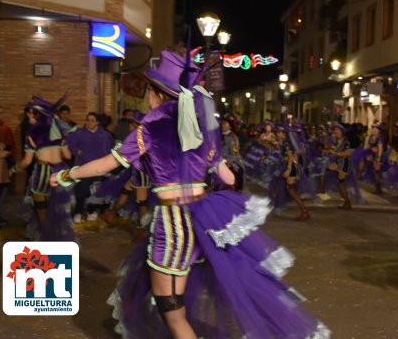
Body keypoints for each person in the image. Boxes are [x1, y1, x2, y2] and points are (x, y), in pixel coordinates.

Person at [50, 49, 329, 339]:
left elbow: (106, 165)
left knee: (171, 310)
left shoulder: (151, 127)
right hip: (200, 218)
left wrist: (67, 174)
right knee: (169, 298)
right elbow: (228, 177)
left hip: (172, 224)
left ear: (156, 93)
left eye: (148, 90)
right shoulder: (200, 128)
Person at [11, 96, 75, 241]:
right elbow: (68, 156)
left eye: (33, 113)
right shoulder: (59, 132)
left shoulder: (32, 133)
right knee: (60, 209)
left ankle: (48, 239)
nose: (31, 116)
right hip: (60, 172)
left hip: (43, 172)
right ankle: (60, 239)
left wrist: (13, 169)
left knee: (42, 208)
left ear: (38, 115)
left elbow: (27, 162)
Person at [67, 112, 115, 222]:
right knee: (82, 190)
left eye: (92, 120)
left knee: (95, 190)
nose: (89, 122)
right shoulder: (79, 133)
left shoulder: (105, 135)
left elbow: (110, 148)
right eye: (88, 120)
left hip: (99, 168)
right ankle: (78, 212)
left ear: (97, 122)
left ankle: (91, 211)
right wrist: (77, 152)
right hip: (83, 167)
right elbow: (70, 143)